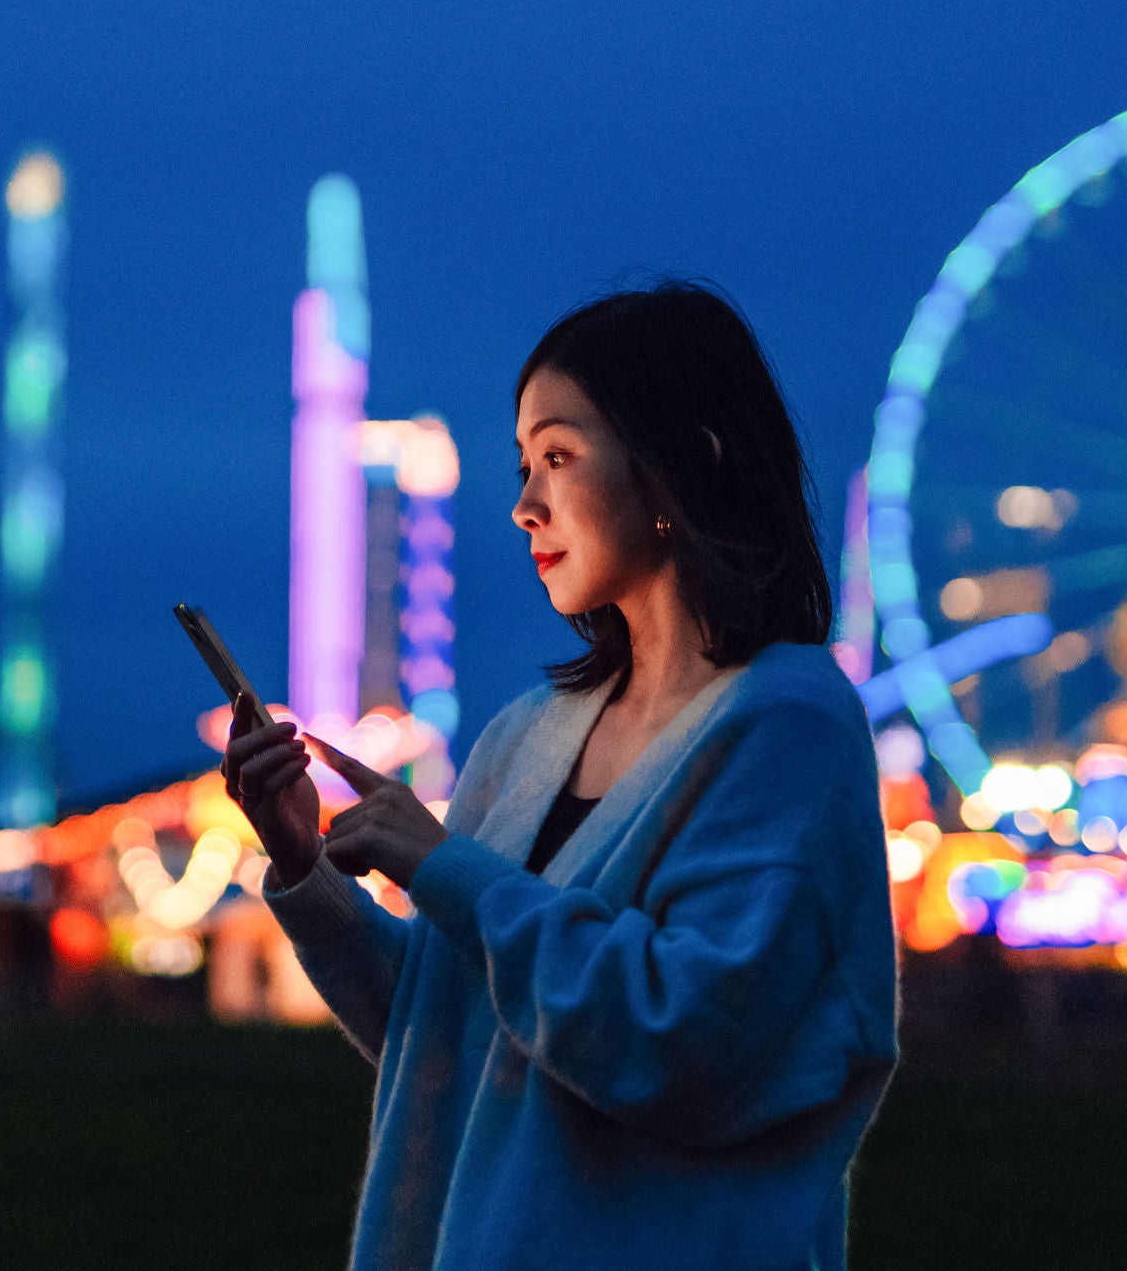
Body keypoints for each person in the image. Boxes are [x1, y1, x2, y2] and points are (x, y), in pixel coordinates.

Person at [225, 281, 898, 1271]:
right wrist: (301, 863)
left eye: (558, 456)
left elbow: (690, 1045)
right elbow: (450, 1033)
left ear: (685, 461)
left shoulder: (787, 725)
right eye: (521, 464)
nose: (522, 504)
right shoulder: (525, 737)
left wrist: (446, 870)